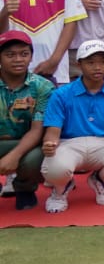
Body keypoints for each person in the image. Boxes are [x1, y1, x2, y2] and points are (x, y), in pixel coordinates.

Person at [39, 39, 104, 213]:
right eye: (91, 62)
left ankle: (101, 181)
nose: (97, 67)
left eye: (102, 62)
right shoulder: (61, 94)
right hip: (69, 143)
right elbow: (53, 131)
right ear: (79, 64)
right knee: (54, 169)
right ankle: (61, 190)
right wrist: (49, 144)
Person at [0, 29, 50, 210]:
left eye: (24, 54)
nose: (18, 59)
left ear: (31, 57)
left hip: (29, 143)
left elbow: (38, 130)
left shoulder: (43, 87)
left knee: (33, 159)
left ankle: (25, 190)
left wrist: (14, 156)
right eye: (10, 55)